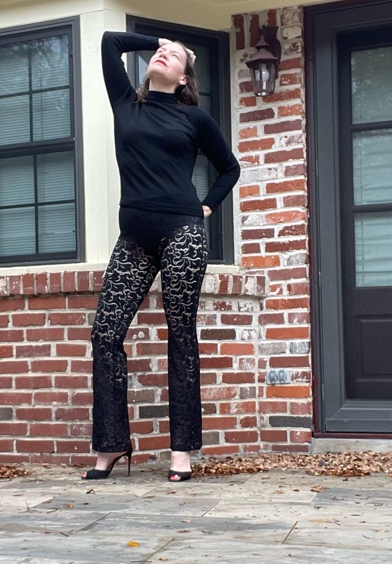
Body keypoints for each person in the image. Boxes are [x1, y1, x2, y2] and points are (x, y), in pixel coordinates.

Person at [81, 31, 240, 482]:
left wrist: (206, 206)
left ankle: (182, 451)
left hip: (182, 233)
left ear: (185, 76)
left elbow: (230, 167)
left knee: (180, 335)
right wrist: (160, 37)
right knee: (106, 334)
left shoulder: (195, 118)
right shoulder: (126, 103)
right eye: (158, 52)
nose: (161, 55)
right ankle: (112, 444)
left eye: (172, 56)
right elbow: (109, 42)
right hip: (134, 237)